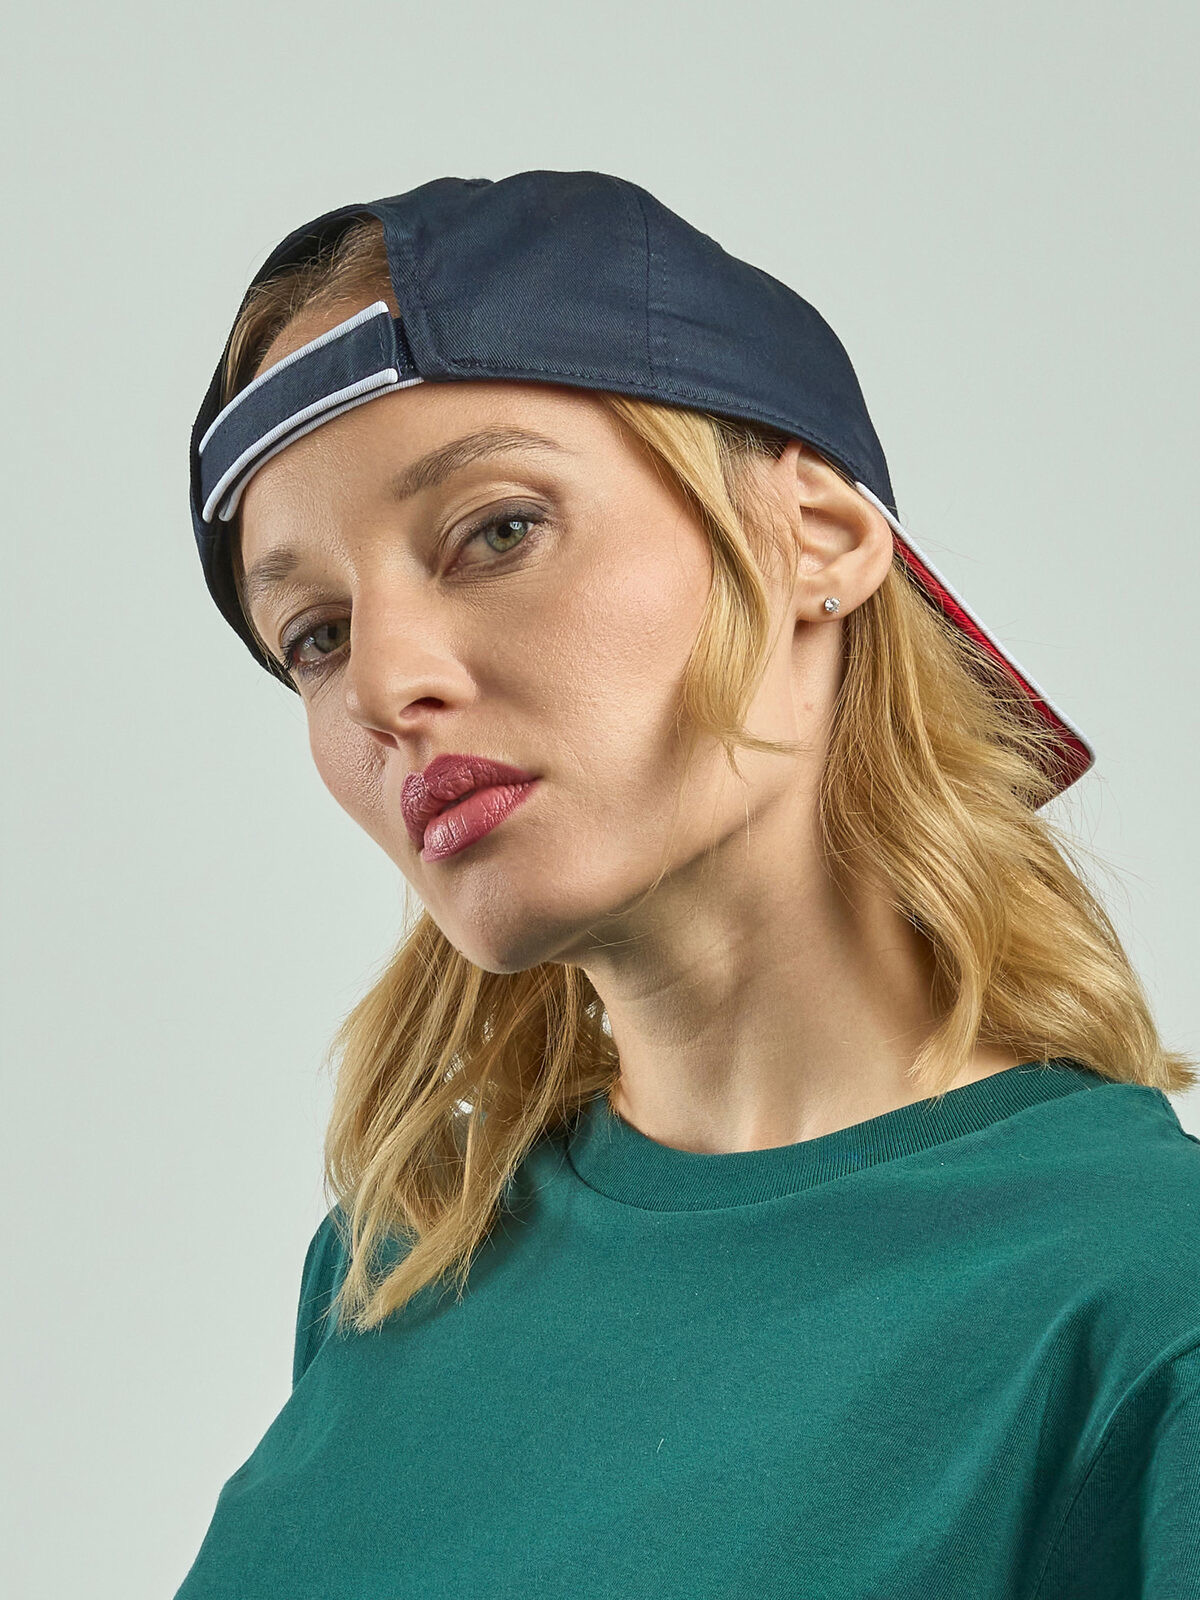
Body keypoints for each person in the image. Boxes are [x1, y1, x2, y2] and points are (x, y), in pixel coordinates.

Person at [174, 171, 1199, 1599]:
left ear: (817, 538)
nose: (389, 686)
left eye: (498, 530)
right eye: (317, 635)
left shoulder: (1147, 1300)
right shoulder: (396, 1266)